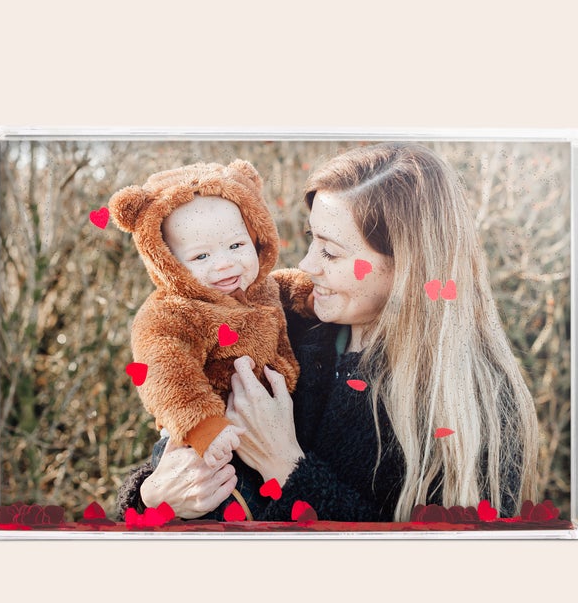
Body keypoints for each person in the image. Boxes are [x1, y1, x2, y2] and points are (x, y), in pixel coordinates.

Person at [117, 144, 541, 522]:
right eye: (310, 239)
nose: (305, 265)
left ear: (408, 268)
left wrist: (285, 467)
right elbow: (175, 441)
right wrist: (151, 498)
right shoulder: (283, 320)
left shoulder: (474, 401)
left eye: (331, 251)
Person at [108, 159, 311, 520]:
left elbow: (286, 287)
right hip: (203, 446)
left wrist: (312, 295)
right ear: (167, 261)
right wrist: (203, 427)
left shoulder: (261, 287)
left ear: (256, 237)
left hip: (263, 438)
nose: (224, 265)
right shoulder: (172, 313)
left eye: (236, 245)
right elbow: (164, 372)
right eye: (201, 255)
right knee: (220, 512)